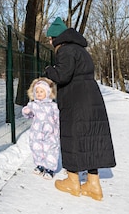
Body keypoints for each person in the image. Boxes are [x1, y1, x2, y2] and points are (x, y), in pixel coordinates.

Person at [43, 17, 116, 201]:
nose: (50, 42)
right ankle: (93, 184)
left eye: (51, 38)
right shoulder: (81, 50)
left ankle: (73, 182)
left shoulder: (66, 51)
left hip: (75, 100)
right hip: (90, 97)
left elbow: (62, 75)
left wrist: (48, 70)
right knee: (89, 138)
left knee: (72, 137)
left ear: (57, 37)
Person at [21, 77, 60, 180]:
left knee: (50, 150)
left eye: (41, 91)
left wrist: (57, 130)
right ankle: (40, 165)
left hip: (50, 133)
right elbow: (29, 115)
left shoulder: (53, 106)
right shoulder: (33, 105)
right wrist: (26, 111)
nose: (38, 93)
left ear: (47, 92)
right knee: (36, 148)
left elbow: (57, 118)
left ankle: (50, 168)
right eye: (37, 91)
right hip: (36, 132)